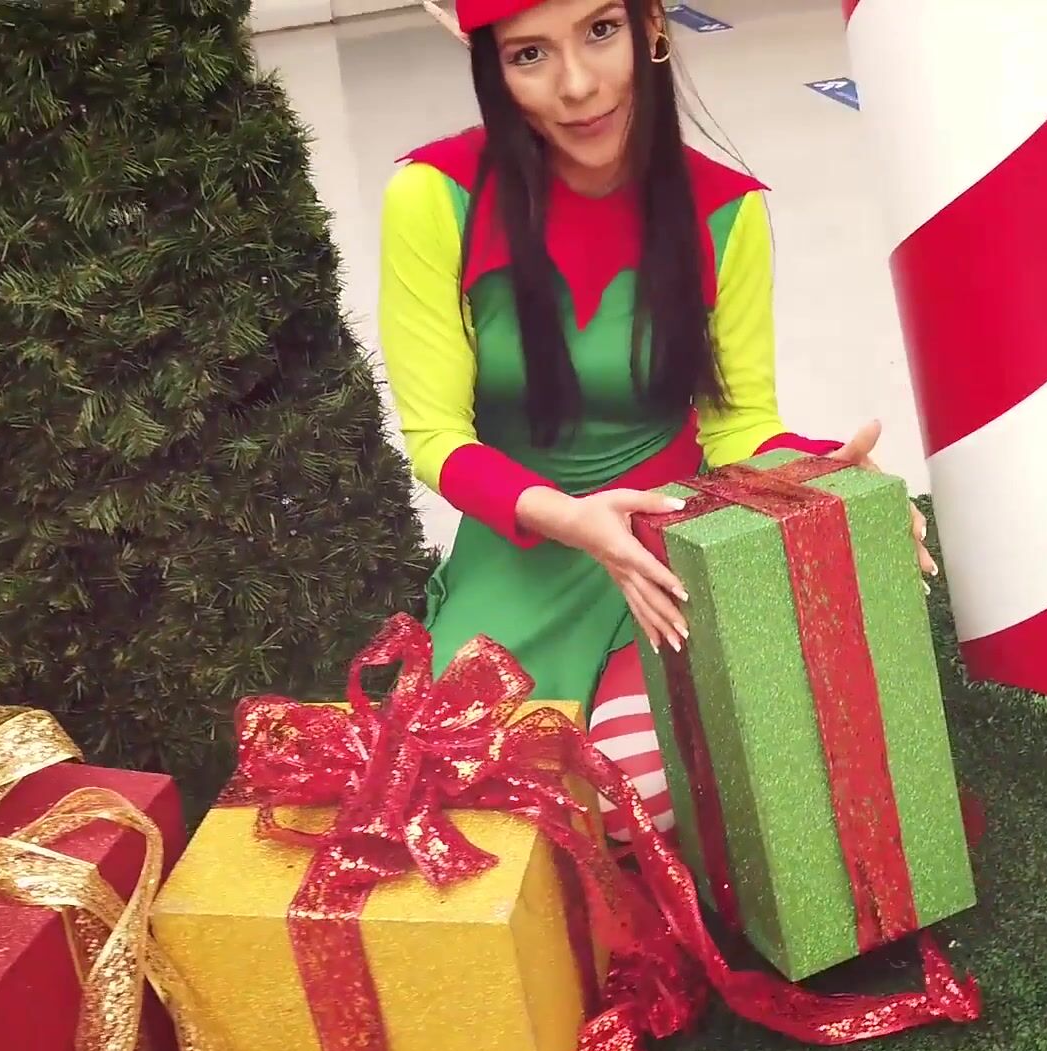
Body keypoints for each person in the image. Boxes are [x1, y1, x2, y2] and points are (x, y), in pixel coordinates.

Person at [378, 0, 934, 835]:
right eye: (529, 54)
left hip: (669, 551)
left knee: (629, 796)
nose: (576, 85)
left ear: (651, 26)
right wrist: (572, 519)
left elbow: (738, 425)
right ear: (491, 68)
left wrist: (828, 481)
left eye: (601, 30)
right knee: (471, 798)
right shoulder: (434, 197)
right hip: (525, 541)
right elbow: (437, 439)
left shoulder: (726, 211)